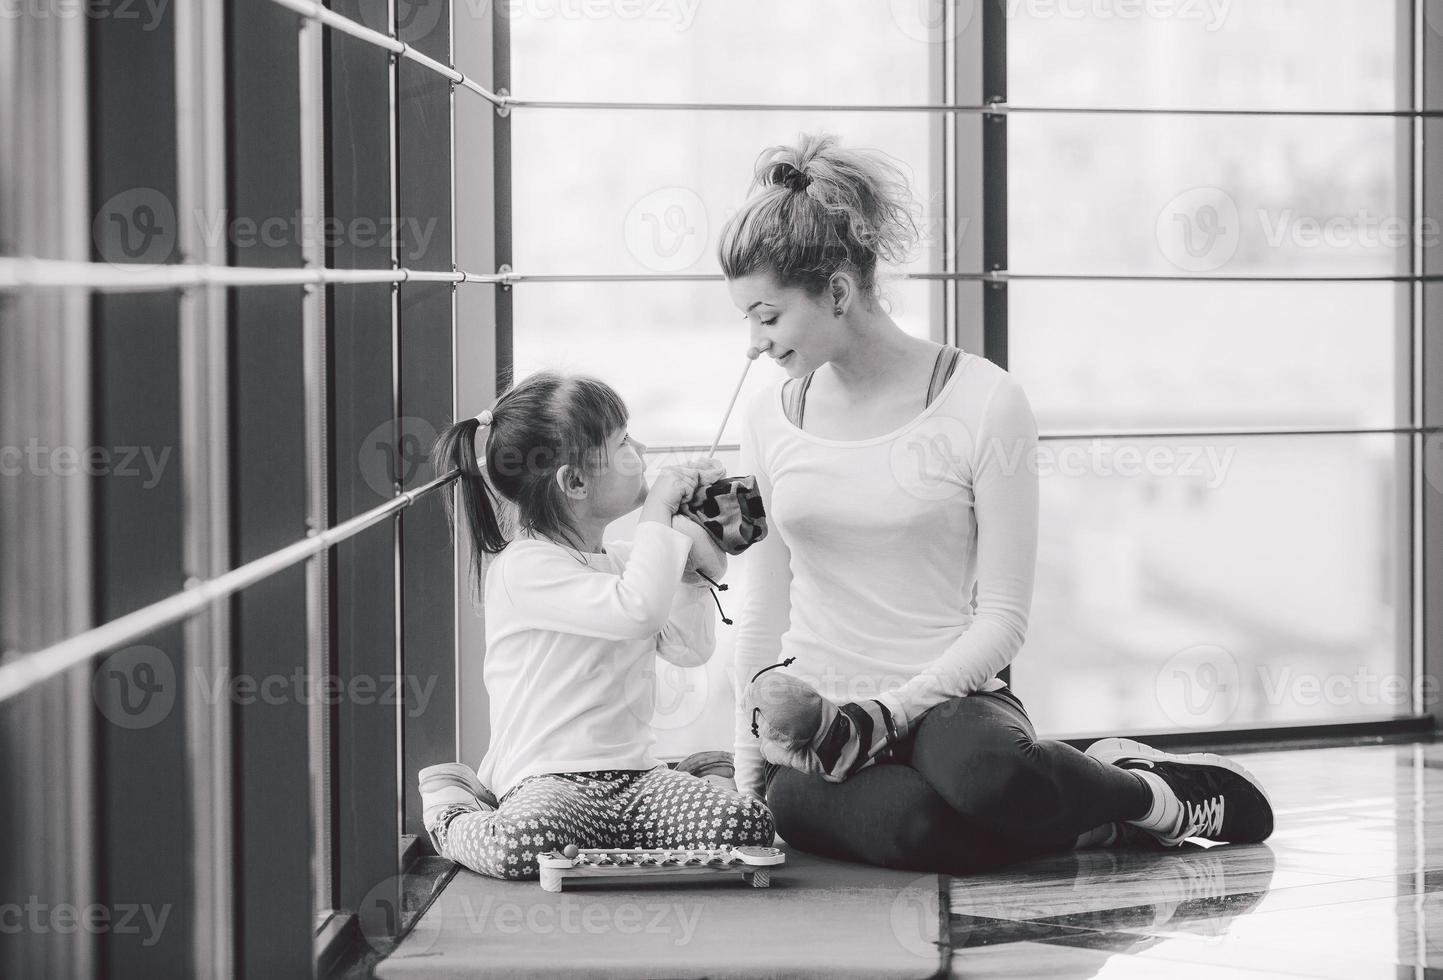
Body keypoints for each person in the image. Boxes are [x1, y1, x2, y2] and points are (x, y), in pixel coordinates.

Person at [719, 132, 1273, 876]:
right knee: (910, 825)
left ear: (840, 294)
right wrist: (749, 765)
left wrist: (891, 713)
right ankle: (1091, 820)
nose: (753, 343)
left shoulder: (983, 400)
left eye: (767, 316)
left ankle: (1153, 798)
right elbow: (760, 611)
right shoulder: (768, 421)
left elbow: (1004, 621)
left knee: (988, 778)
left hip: (955, 699)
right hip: (826, 721)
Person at [416, 369, 774, 880]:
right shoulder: (525, 568)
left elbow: (688, 649)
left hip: (637, 780)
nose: (642, 448)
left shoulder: (626, 561)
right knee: (523, 847)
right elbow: (637, 612)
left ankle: (699, 775)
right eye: (624, 441)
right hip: (548, 781)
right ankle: (453, 805)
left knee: (745, 825)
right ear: (575, 482)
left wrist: (693, 573)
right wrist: (660, 509)